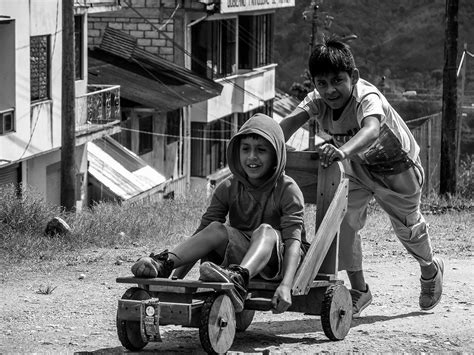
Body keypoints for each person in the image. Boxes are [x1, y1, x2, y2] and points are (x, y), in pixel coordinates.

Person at [280, 38, 444, 317]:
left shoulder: (367, 97)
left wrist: (342, 151)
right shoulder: (317, 101)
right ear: (314, 83)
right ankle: (360, 290)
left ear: (353, 77)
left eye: (337, 80)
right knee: (343, 222)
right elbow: (288, 124)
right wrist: (265, 145)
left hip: (398, 171)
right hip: (357, 169)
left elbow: (370, 130)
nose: (330, 89)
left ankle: (430, 269)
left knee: (409, 230)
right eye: (322, 83)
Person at [131, 113, 309, 314]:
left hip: (278, 263)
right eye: (245, 149)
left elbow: (294, 241)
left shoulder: (287, 189)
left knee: (265, 231)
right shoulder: (228, 187)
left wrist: (286, 285)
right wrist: (175, 280)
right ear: (236, 152)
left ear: (276, 155)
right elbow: (202, 235)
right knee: (214, 228)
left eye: (261, 150)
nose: (252, 157)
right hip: (243, 258)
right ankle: (163, 263)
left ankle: (238, 279)